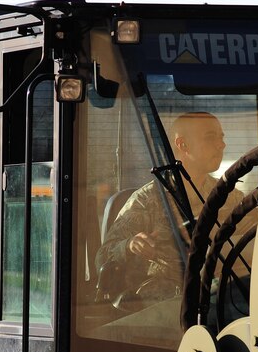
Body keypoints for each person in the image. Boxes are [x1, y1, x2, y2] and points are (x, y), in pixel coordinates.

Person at [96, 112, 248, 306]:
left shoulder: (229, 196)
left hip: (223, 300)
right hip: (162, 308)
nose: (221, 145)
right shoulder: (148, 200)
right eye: (211, 137)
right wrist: (130, 245)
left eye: (221, 137)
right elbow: (103, 257)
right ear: (182, 145)